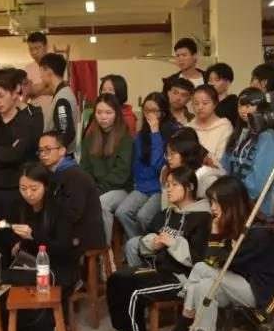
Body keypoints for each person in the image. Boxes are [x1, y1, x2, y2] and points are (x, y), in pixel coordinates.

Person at [151, 176, 274, 331]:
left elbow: (218, 262)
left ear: (231, 203)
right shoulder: (230, 224)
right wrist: (216, 232)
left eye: (215, 203)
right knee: (204, 286)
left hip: (260, 294)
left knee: (201, 269)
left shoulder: (257, 231)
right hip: (233, 285)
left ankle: (182, 327)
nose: (212, 208)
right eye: (211, 202)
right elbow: (214, 262)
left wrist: (214, 231)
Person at [101, 167, 211, 331]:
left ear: (190, 187)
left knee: (135, 291)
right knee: (117, 279)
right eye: (167, 185)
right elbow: (147, 237)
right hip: (158, 270)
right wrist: (153, 242)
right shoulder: (167, 213)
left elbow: (198, 259)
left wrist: (173, 243)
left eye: (174, 185)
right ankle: (123, 330)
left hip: (182, 279)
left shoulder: (203, 218)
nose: (169, 189)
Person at [0, 163, 80, 331]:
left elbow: (64, 248)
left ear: (46, 186)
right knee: (4, 279)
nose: (28, 194)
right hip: (29, 263)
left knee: (18, 279)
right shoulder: (18, 205)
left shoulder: (60, 209)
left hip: (58, 266)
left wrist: (33, 236)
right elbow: (9, 235)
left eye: (34, 188)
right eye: (23, 188)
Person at [0, 68, 41, 263]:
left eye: (1, 96)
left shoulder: (29, 119)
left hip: (15, 192)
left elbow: (16, 154)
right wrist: (5, 152)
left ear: (15, 91)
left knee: (15, 240)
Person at [115, 93, 178, 239]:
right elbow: (137, 165)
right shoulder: (141, 135)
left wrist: (155, 132)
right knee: (122, 212)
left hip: (161, 187)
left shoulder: (172, 132)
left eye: (154, 111)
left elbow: (158, 164)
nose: (150, 114)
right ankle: (137, 244)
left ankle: (148, 245)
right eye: (146, 110)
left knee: (143, 216)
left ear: (163, 112)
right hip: (142, 186)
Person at [37, 131, 107, 252]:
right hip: (66, 231)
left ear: (62, 151)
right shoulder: (51, 173)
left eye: (48, 149)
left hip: (82, 236)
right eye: (40, 150)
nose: (43, 154)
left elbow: (73, 213)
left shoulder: (75, 175)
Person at [80, 94, 134, 245]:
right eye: (99, 112)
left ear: (116, 114)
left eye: (108, 112)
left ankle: (103, 247)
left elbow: (121, 173)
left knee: (101, 203)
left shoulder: (125, 137)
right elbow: (85, 168)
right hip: (95, 187)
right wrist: (89, 189)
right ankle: (82, 247)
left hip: (121, 188)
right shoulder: (90, 136)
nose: (103, 117)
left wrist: (97, 190)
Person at [222, 90, 274, 218]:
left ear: (261, 107)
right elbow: (225, 166)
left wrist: (239, 196)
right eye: (240, 106)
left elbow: (261, 177)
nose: (243, 110)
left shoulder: (267, 136)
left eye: (248, 106)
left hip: (257, 207)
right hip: (234, 200)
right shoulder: (238, 133)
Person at [157, 129, 222, 215]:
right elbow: (165, 206)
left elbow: (214, 210)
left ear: (185, 153)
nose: (169, 158)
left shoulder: (207, 177)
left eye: (172, 154)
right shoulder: (167, 172)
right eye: (167, 154)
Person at [39, 52, 78, 154]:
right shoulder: (63, 92)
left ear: (48, 71)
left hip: (62, 157)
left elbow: (65, 132)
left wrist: (54, 152)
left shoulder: (62, 98)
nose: (40, 76)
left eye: (41, 71)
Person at [186, 84, 233, 166]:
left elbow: (221, 161)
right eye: (196, 103)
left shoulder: (224, 127)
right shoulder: (188, 127)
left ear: (215, 104)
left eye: (205, 103)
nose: (200, 107)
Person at [23, 31, 54, 129]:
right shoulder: (28, 69)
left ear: (46, 46)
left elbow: (58, 89)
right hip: (35, 116)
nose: (34, 52)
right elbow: (28, 92)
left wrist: (35, 90)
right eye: (31, 49)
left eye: (37, 48)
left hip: (54, 113)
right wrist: (46, 84)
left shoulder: (56, 64)